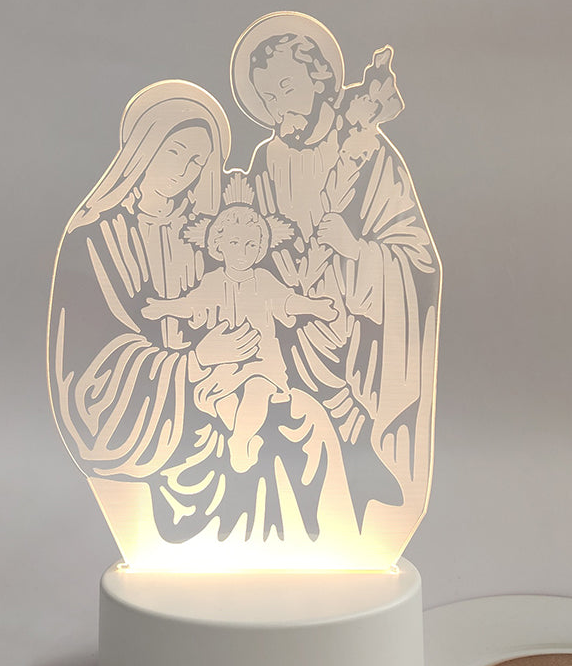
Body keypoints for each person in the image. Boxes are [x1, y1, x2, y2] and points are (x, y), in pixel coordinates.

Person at [48, 80, 357, 547]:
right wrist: (195, 362)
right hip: (152, 410)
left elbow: (256, 292)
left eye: (196, 162)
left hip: (228, 381)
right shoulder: (92, 239)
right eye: (174, 152)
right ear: (143, 149)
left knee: (307, 424)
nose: (183, 171)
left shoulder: (202, 232)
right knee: (249, 443)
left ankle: (318, 556)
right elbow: (91, 362)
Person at [231, 13, 442, 541]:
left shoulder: (369, 153)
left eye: (286, 87)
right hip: (288, 326)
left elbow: (417, 260)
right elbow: (253, 243)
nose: (278, 107)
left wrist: (354, 251)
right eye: (267, 98)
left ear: (321, 77)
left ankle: (360, 488)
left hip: (358, 336)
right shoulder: (266, 160)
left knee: (350, 458)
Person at [142, 196, 337, 472]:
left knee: (257, 388)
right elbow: (192, 305)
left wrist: (315, 307)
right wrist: (164, 308)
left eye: (251, 245)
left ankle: (240, 441)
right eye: (234, 243)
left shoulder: (264, 280)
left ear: (260, 248)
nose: (243, 252)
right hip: (224, 364)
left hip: (261, 362)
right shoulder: (212, 282)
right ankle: (244, 439)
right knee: (220, 396)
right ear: (218, 245)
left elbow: (287, 301)